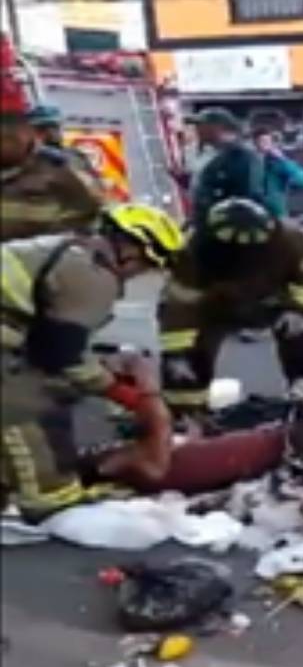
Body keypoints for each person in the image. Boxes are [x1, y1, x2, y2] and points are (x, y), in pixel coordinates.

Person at [1, 203, 184, 522]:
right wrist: (117, 391)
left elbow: (52, 334)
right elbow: (60, 354)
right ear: (131, 251)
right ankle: (48, 499)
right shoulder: (95, 276)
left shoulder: (72, 251)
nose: (140, 272)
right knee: (28, 404)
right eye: (147, 264)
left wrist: (98, 365)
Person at [158, 198, 303, 418]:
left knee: (301, 333)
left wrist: (299, 309)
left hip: (274, 301)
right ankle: (186, 417)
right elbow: (179, 309)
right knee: (188, 363)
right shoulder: (192, 253)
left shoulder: (288, 239)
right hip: (216, 307)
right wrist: (177, 355)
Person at [1, 103, 106, 241]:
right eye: (42, 129)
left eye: (54, 128)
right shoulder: (17, 159)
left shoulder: (71, 160)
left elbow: (95, 197)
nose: (51, 134)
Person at [186, 107, 269, 229]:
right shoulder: (212, 154)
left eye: (200, 125)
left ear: (216, 127)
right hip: (210, 225)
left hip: (230, 229)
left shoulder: (242, 156)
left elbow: (248, 197)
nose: (197, 130)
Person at [249, 118, 303, 221]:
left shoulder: (278, 163)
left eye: (268, 141)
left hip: (277, 214)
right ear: (254, 143)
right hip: (253, 215)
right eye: (261, 141)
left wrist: (283, 160)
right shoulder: (248, 162)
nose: (265, 145)